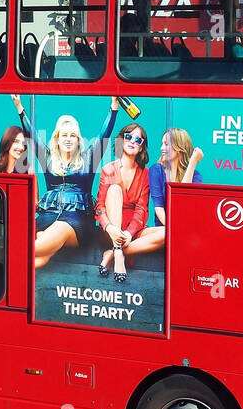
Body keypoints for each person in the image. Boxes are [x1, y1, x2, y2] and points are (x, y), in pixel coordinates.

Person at [13, 94, 119, 269]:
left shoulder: (89, 158)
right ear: (57, 138)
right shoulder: (47, 157)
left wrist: (113, 107)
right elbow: (31, 136)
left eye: (73, 135)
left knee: (57, 229)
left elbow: (104, 135)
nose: (68, 139)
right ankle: (14, 273)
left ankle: (12, 254)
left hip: (77, 221)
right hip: (48, 216)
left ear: (78, 140)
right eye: (64, 135)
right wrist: (19, 107)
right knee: (42, 246)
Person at [128, 128, 204, 257]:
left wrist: (192, 164)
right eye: (162, 143)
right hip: (164, 229)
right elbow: (158, 209)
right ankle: (115, 253)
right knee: (169, 233)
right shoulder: (156, 170)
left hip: (184, 231)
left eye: (166, 144)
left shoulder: (195, 176)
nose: (162, 148)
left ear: (179, 147)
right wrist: (175, 229)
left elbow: (183, 201)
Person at [94, 123, 152, 283]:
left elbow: (141, 209)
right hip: (112, 228)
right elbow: (99, 207)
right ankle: (118, 252)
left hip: (132, 230)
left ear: (141, 147)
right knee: (114, 189)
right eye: (128, 137)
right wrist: (110, 227)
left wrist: (129, 233)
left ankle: (112, 252)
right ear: (121, 140)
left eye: (138, 140)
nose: (133, 141)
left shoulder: (146, 174)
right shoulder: (108, 169)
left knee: (167, 233)